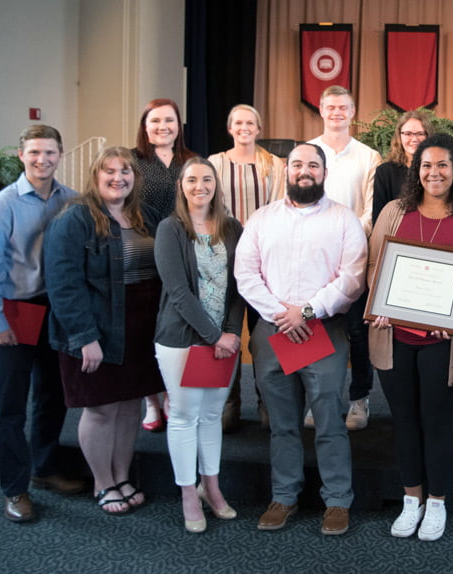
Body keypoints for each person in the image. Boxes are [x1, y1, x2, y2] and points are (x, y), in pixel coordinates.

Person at [368, 133, 453, 541]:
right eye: (426, 165)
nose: (434, 172)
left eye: (443, 164)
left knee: (437, 423)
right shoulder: (394, 212)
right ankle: (412, 500)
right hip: (395, 338)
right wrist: (381, 303)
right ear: (416, 170)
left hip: (446, 342)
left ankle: (437, 503)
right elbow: (375, 265)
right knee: (404, 422)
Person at [235, 143, 367, 535]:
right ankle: (284, 496)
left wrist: (306, 311)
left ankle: (338, 501)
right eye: (297, 165)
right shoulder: (261, 219)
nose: (304, 171)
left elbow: (352, 278)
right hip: (271, 330)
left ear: (324, 173)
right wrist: (282, 313)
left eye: (313, 164)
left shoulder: (345, 220)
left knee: (329, 420)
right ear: (286, 172)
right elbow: (246, 274)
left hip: (322, 330)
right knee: (283, 422)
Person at [44, 146, 165, 515]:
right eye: (109, 171)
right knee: (99, 410)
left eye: (125, 171)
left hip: (140, 329)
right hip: (96, 328)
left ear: (135, 177)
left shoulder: (145, 214)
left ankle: (121, 475)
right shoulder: (75, 218)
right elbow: (63, 285)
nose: (118, 177)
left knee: (129, 406)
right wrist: (85, 338)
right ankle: (103, 482)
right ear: (96, 176)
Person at [0, 125, 85, 522]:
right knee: (10, 408)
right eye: (35, 153)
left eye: (50, 153)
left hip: (54, 312)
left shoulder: (71, 200)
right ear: (21, 155)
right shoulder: (1, 206)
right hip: (14, 312)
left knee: (52, 396)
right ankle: (15, 490)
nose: (43, 160)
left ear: (60, 155)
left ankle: (45, 468)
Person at [154, 158, 244, 533]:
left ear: (216, 185)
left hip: (225, 341)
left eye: (207, 179)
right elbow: (177, 291)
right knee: (184, 416)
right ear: (181, 185)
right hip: (182, 340)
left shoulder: (232, 227)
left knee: (211, 417)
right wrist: (215, 336)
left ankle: (212, 487)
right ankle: (188, 493)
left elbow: (240, 286)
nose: (200, 186)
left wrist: (233, 333)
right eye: (192, 179)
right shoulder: (169, 229)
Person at [307, 85, 382, 432]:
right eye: (331, 107)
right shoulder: (307, 152)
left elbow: (371, 208)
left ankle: (359, 399)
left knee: (356, 331)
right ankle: (319, 399)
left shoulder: (368, 156)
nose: (337, 113)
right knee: (315, 327)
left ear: (353, 112)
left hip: (354, 255)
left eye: (344, 107)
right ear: (321, 110)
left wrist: (349, 238)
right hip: (314, 257)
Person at [208, 103, 285, 432]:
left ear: (258, 128)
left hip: (264, 262)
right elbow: (209, 209)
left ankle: (267, 400)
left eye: (250, 123)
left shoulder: (275, 164)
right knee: (226, 330)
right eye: (238, 122)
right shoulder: (215, 163)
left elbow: (281, 208)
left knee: (264, 334)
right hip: (223, 258)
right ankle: (228, 401)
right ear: (229, 127)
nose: (244, 127)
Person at [133, 98, 197, 433]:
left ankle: (173, 394)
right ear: (145, 125)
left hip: (181, 253)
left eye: (169, 121)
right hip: (142, 253)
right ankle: (151, 400)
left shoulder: (190, 161)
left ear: (179, 125)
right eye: (155, 121)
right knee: (146, 328)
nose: (162, 127)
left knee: (174, 326)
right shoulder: (131, 160)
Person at [372, 110, 432, 226]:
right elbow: (379, 217)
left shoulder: (438, 171)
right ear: (399, 136)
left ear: (428, 136)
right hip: (396, 237)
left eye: (420, 133)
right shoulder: (385, 172)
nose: (414, 139)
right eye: (408, 134)